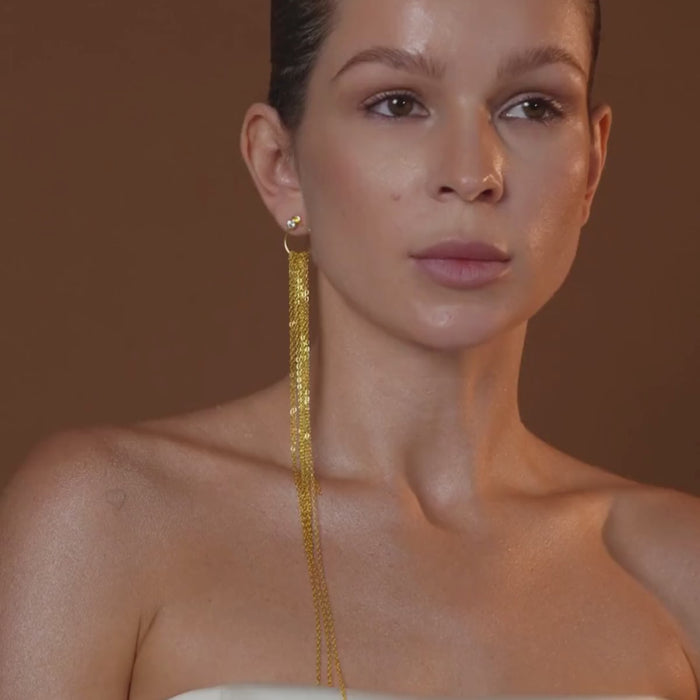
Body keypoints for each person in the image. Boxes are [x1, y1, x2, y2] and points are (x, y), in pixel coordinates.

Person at [1, 0, 699, 699]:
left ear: (592, 165)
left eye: (534, 107)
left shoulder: (679, 566)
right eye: (398, 104)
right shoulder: (107, 519)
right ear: (280, 165)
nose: (473, 173)